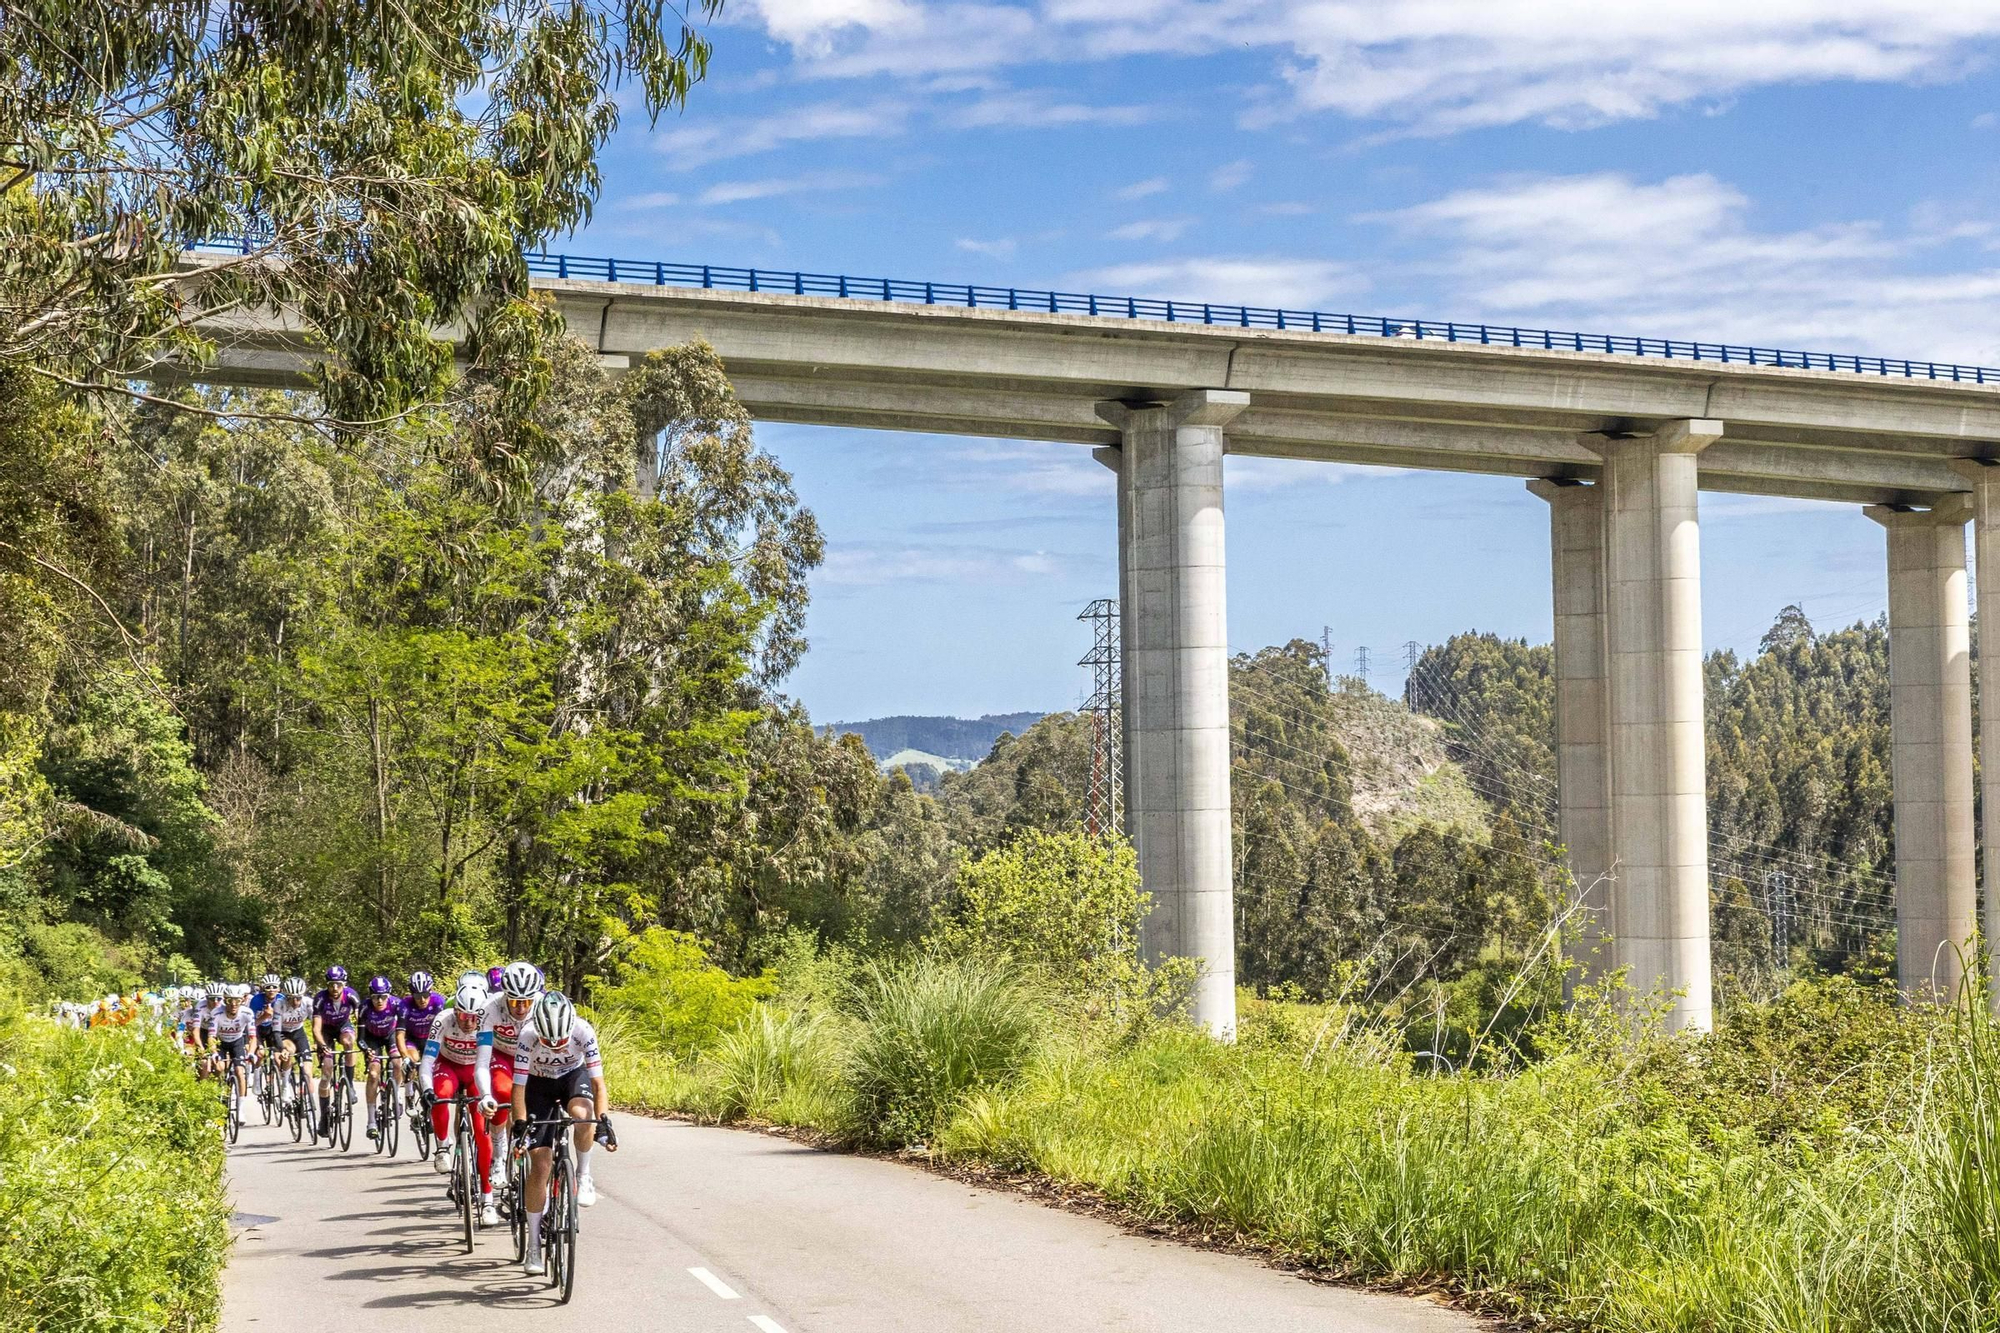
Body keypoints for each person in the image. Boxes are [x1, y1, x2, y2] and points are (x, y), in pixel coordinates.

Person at [511, 990, 615, 1276]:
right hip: (537, 1084)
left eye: (560, 1041)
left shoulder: (583, 1031)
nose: (555, 1047)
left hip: (572, 1077)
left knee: (584, 1118)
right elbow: (518, 1089)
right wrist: (520, 1124)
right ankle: (533, 1244)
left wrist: (603, 1121)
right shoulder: (528, 1035)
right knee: (540, 1166)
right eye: (548, 1041)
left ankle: (583, 1174)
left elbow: (599, 1086)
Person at [420, 984, 501, 1225]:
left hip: (477, 1071)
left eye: (474, 1017)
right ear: (455, 1011)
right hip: (449, 1067)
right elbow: (427, 1061)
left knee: (482, 1131)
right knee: (441, 1093)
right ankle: (443, 1146)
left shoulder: (489, 1021)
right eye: (463, 1016)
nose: (468, 1022)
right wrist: (426, 1089)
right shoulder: (443, 1019)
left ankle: (488, 1201)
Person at [475, 961, 542, 1207]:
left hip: (534, 1058)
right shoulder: (489, 1009)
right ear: (504, 996)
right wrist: (485, 1094)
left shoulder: (544, 1007)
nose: (521, 1008)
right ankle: (499, 1152)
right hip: (500, 1056)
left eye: (527, 1001)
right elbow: (481, 1061)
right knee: (503, 1092)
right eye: (515, 1002)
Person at [311, 965, 362, 1137]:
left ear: (344, 984)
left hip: (342, 1026)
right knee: (327, 1069)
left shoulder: (352, 996)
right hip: (325, 1030)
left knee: (348, 1042)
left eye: (338, 984)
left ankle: (350, 1084)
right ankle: (324, 1117)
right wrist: (322, 1045)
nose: (334, 988)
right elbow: (316, 1029)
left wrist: (361, 1036)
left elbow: (359, 1019)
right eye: (331, 984)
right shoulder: (320, 999)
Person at [358, 976, 406, 1140]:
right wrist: (366, 1050)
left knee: (397, 1062)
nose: (379, 1001)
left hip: (391, 1036)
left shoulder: (396, 1004)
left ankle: (397, 1093)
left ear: (389, 995)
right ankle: (371, 1121)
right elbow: (360, 1038)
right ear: (370, 996)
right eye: (375, 997)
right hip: (372, 1039)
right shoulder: (364, 1008)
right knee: (373, 1075)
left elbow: (403, 1028)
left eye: (383, 997)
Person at [396, 971, 445, 1121]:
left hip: (431, 1039)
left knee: (432, 1070)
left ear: (430, 991)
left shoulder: (438, 1002)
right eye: (417, 996)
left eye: (425, 994)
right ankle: (409, 1096)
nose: (422, 999)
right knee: (413, 1060)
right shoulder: (404, 1005)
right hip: (411, 1039)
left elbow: (445, 1028)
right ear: (412, 995)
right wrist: (404, 1057)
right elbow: (399, 1035)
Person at [207, 983, 258, 1109]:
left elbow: (252, 1037)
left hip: (237, 1042)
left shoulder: (247, 1013)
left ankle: (240, 1108)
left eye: (238, 1000)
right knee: (219, 1068)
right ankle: (219, 1091)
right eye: (230, 1000)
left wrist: (251, 1052)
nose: (234, 1004)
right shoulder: (216, 1013)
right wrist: (213, 1053)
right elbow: (211, 1037)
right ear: (225, 1000)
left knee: (240, 1071)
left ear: (242, 1000)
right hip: (221, 1043)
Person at [271, 976, 316, 1106]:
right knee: (289, 1051)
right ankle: (285, 1086)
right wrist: (282, 1048)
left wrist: (318, 1041)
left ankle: (309, 1101)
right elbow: (276, 1031)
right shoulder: (279, 1004)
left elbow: (317, 1025)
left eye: (298, 998)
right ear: (286, 997)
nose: (296, 1001)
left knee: (307, 1071)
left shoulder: (308, 1003)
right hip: (283, 1033)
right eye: (292, 998)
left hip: (299, 1032)